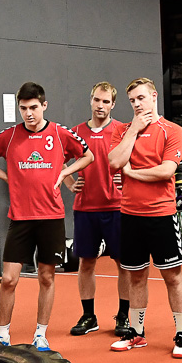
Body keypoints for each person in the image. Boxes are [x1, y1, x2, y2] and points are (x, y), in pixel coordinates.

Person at [0, 82, 93, 351]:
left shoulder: (59, 133)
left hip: (51, 217)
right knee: (9, 279)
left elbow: (87, 156)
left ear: (44, 105)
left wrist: (65, 173)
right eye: (23, 108)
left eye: (33, 107)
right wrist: (7, 176)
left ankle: (40, 334)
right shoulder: (9, 136)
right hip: (20, 218)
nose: (28, 113)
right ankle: (2, 335)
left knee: (46, 277)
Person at [107, 78, 182, 357]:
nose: (137, 104)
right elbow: (114, 162)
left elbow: (166, 171)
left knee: (172, 276)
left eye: (142, 98)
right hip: (130, 214)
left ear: (154, 96)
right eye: (132, 101)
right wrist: (134, 129)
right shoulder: (122, 130)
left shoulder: (172, 130)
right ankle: (136, 334)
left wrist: (132, 174)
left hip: (162, 214)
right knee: (135, 278)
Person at [68, 82, 134, 338]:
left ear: (113, 105)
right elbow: (60, 162)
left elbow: (136, 161)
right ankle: (89, 316)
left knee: (123, 263)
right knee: (86, 262)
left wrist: (126, 178)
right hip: (86, 208)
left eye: (106, 102)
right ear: (91, 100)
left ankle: (123, 316)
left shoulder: (123, 130)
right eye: (97, 100)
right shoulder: (75, 132)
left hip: (117, 207)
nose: (100, 105)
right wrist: (71, 183)